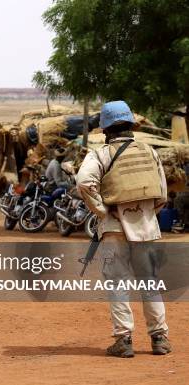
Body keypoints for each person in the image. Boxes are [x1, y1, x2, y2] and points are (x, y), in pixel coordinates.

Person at [76, 100, 170, 357]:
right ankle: (159, 338)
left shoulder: (100, 154)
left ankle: (124, 340)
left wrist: (102, 211)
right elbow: (162, 193)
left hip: (114, 227)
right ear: (131, 125)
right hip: (146, 227)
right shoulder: (150, 151)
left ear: (105, 130)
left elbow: (84, 182)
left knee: (117, 282)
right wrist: (146, 215)